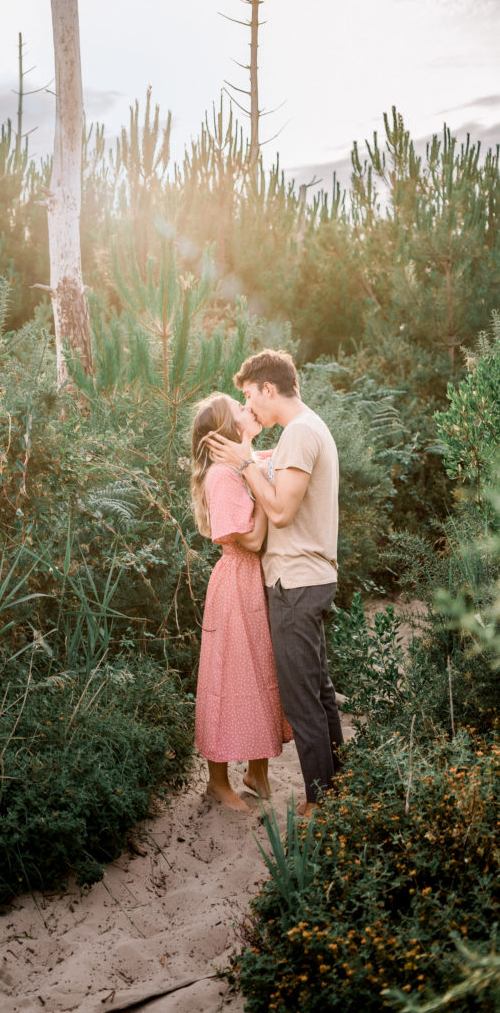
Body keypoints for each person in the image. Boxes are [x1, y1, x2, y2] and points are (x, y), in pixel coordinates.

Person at [207, 350, 343, 817]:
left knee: (302, 699)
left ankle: (319, 804)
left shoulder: (300, 433)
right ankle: (340, 791)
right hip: (309, 577)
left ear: (269, 388)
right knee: (319, 692)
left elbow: (281, 511)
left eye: (250, 396)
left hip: (296, 582)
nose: (250, 407)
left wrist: (245, 463)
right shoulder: (304, 431)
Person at [191, 392, 292, 814]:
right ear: (224, 431)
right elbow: (250, 539)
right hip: (236, 581)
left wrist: (255, 460)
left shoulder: (240, 463)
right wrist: (266, 493)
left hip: (255, 580)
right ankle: (218, 781)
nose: (246, 411)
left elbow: (280, 453)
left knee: (262, 673)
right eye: (239, 410)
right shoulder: (223, 475)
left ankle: (258, 773)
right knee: (230, 678)